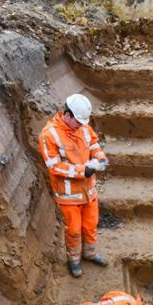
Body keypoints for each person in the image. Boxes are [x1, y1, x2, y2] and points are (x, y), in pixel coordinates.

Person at [38, 94, 109, 278]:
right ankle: (74, 260)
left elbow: (93, 145)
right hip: (68, 196)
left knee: (90, 225)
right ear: (67, 115)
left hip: (88, 191)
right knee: (74, 229)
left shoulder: (83, 128)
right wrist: (82, 171)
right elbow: (54, 166)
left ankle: (90, 253)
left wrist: (100, 158)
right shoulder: (49, 135)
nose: (80, 126)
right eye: (77, 121)